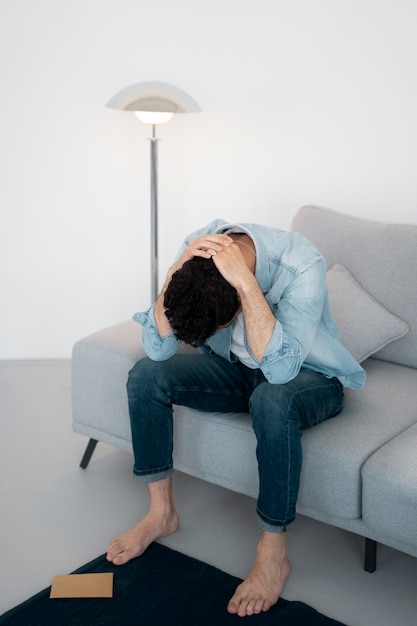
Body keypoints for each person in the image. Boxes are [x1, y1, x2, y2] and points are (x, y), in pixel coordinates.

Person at [106, 219, 365, 618]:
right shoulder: (201, 247)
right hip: (240, 373)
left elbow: (280, 372)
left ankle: (273, 553)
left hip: (309, 377)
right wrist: (175, 271)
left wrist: (246, 284)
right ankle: (161, 514)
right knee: (146, 375)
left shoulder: (301, 262)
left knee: (272, 399)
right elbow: (157, 349)